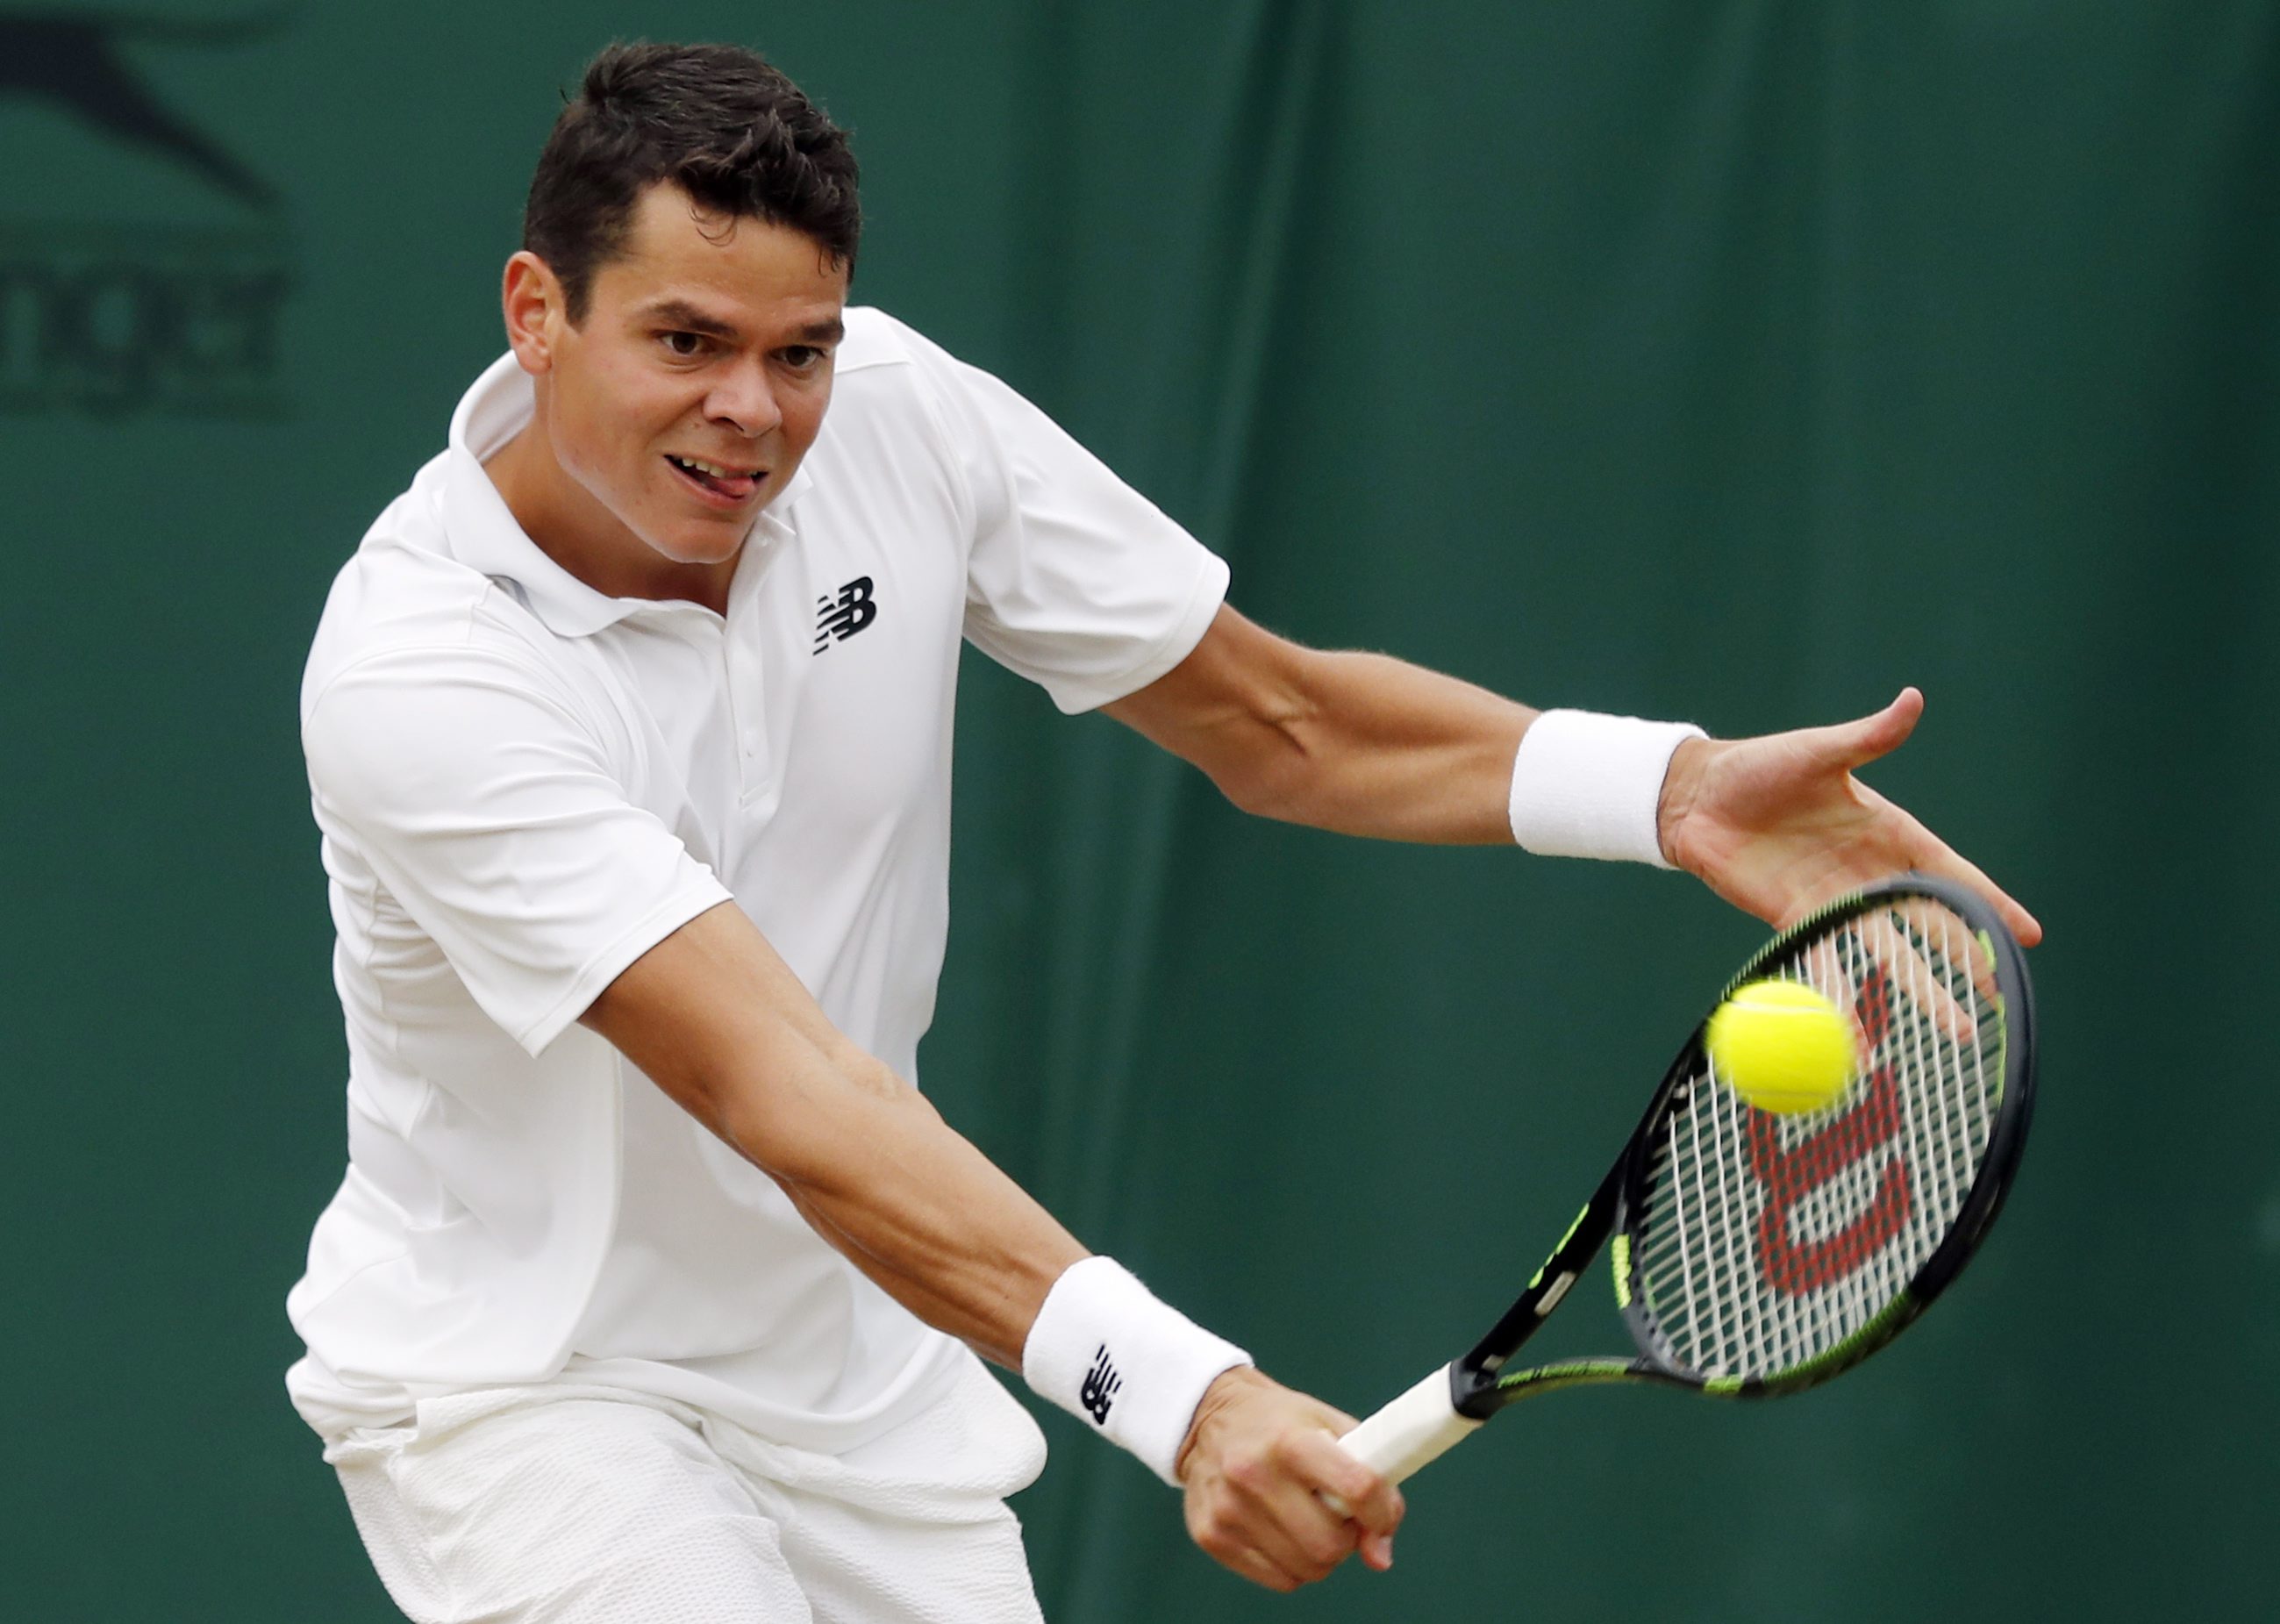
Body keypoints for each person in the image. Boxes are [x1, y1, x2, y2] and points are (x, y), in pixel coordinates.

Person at [287, 39, 2040, 1624]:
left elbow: (1279, 721)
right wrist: (1184, 1392)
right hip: (540, 1388)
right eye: (685, 342)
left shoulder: (896, 419)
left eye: (795, 350)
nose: (753, 411)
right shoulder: (429, 673)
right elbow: (787, 1094)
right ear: (538, 309)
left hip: (858, 1387)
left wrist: (1660, 787)